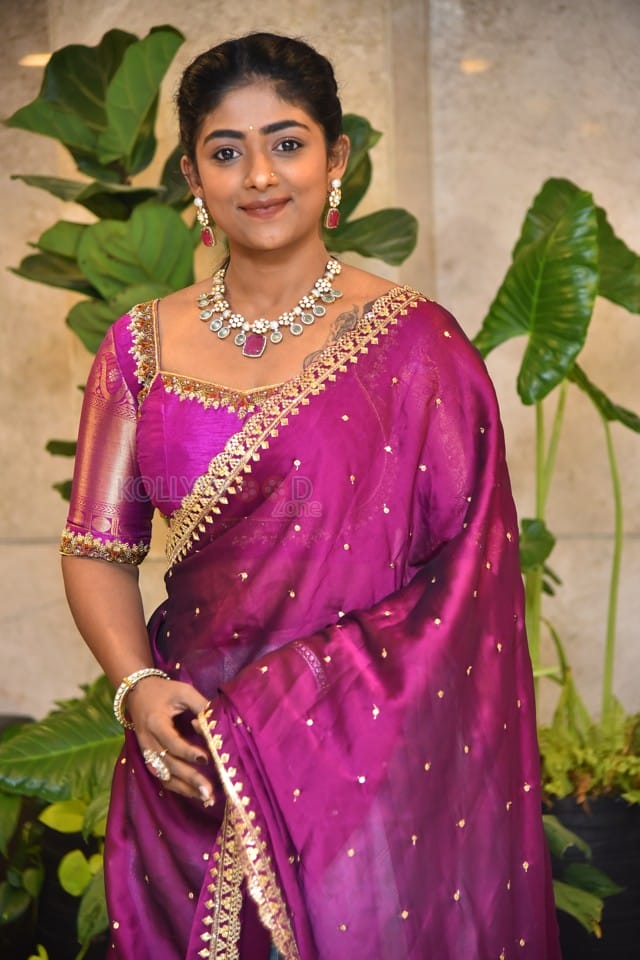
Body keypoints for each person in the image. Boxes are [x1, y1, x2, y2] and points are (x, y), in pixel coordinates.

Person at [60, 31, 561, 960]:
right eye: (226, 151)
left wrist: (293, 707)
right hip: (189, 762)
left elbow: (464, 588)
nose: (259, 175)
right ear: (191, 176)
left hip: (366, 779)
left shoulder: (418, 348)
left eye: (287, 143)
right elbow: (97, 546)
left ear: (337, 159)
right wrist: (138, 687)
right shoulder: (138, 349)